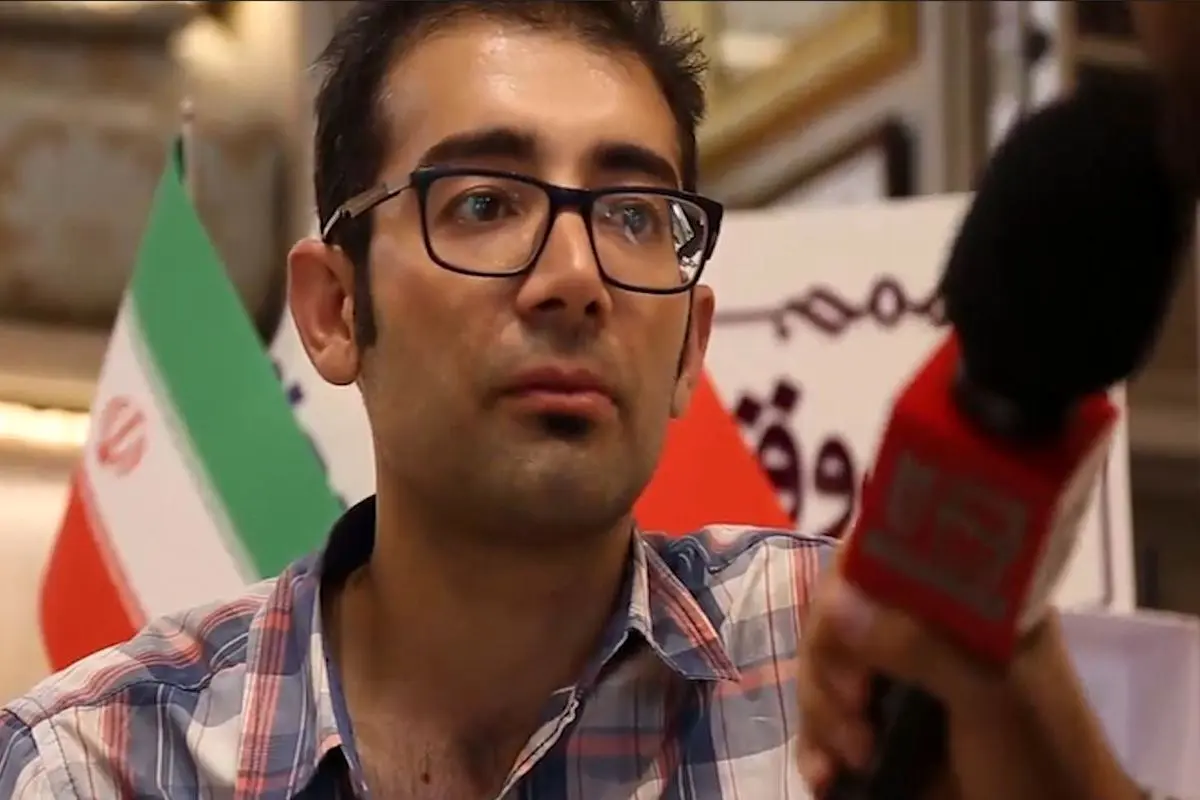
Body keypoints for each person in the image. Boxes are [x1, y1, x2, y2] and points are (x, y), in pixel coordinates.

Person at [0, 2, 1143, 798]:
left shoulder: (859, 675)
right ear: (336, 308)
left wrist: (1009, 690)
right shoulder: (102, 762)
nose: (575, 279)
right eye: (484, 202)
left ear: (691, 346)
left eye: (635, 215)